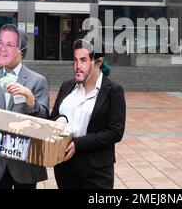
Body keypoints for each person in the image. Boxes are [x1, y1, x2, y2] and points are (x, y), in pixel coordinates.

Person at [0, 24, 50, 189]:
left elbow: (44, 122)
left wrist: (30, 99)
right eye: (0, 44)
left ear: (20, 51)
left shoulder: (37, 81)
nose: (2, 49)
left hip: (25, 164)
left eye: (9, 45)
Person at [50, 39, 126, 189]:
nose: (78, 66)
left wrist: (78, 144)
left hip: (96, 170)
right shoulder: (67, 86)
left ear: (98, 62)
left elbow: (115, 132)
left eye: (83, 60)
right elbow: (53, 117)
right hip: (65, 167)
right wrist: (60, 119)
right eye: (75, 60)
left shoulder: (113, 90)